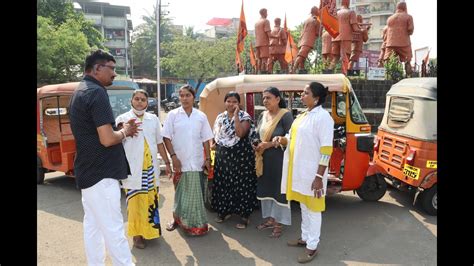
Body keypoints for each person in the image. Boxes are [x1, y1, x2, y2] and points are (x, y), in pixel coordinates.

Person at [69, 49, 139, 266]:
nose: (115, 74)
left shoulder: (79, 91)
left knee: (93, 226)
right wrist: (125, 131)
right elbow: (107, 139)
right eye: (112, 68)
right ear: (98, 68)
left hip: (88, 172)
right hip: (101, 174)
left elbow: (94, 131)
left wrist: (117, 129)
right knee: (114, 229)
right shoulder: (97, 92)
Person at [274, 82, 334, 263]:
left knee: (314, 211)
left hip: (312, 174)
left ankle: (312, 247)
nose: (302, 95)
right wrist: (281, 140)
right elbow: (291, 138)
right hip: (298, 172)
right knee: (303, 207)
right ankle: (305, 238)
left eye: (305, 92)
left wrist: (318, 177)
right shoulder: (302, 116)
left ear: (316, 98)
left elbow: (326, 150)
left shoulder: (324, 118)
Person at [115, 89, 171, 249]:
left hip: (150, 170)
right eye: (137, 99)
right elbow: (115, 143)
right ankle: (137, 236)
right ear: (131, 101)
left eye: (143, 100)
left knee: (150, 202)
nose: (140, 102)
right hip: (132, 170)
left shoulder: (153, 119)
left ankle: (150, 232)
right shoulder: (122, 119)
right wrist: (123, 130)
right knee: (134, 204)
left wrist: (167, 162)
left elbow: (159, 143)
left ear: (147, 102)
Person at [162, 85, 214, 236]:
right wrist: (173, 157)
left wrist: (208, 158)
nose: (184, 98)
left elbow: (206, 139)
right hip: (180, 161)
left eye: (187, 95)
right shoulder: (172, 115)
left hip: (197, 161)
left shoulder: (201, 116)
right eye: (182, 96)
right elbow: (166, 137)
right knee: (179, 194)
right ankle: (177, 219)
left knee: (195, 196)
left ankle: (195, 224)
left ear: (193, 96)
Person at [211, 92, 258, 229]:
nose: (231, 104)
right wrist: (214, 146)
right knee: (223, 183)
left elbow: (240, 133)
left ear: (239, 103)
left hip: (241, 157)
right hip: (223, 156)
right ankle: (224, 211)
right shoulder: (220, 117)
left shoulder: (245, 117)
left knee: (242, 185)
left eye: (234, 102)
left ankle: (244, 216)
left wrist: (236, 115)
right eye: (228, 101)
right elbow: (217, 136)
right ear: (225, 102)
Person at [254, 87, 293, 238]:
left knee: (278, 191)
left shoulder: (285, 115)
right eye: (263, 98)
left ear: (277, 99)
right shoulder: (262, 115)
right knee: (267, 190)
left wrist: (269, 144)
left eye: (268, 98)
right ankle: (270, 219)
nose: (265, 101)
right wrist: (256, 144)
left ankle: (279, 223)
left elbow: (292, 137)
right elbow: (257, 134)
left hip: (279, 160)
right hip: (263, 160)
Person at [329, 0, 360, 74]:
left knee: (335, 58)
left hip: (335, 38)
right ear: (347, 2)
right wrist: (362, 30)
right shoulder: (350, 12)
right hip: (345, 37)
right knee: (345, 56)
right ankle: (344, 75)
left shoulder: (335, 13)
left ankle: (328, 72)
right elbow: (355, 28)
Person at [383, 2, 414, 76]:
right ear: (405, 7)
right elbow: (410, 30)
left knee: (388, 60)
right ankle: (408, 76)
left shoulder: (390, 18)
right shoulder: (408, 17)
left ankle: (388, 76)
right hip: (404, 43)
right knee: (407, 61)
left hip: (390, 43)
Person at [292, 6, 320, 74]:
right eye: (318, 10)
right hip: (308, 41)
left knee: (303, 56)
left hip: (302, 40)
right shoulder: (315, 20)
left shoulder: (306, 20)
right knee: (301, 55)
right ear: (316, 11)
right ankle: (293, 69)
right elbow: (318, 33)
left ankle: (301, 69)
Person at [254, 8, 272, 74]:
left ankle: (257, 72)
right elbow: (269, 34)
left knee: (259, 59)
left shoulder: (256, 23)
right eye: (266, 12)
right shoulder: (266, 21)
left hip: (257, 43)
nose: (267, 14)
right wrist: (277, 36)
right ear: (264, 13)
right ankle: (264, 72)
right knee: (264, 59)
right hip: (264, 43)